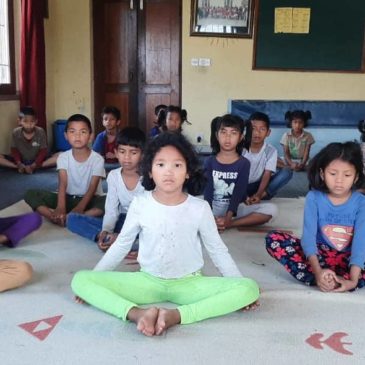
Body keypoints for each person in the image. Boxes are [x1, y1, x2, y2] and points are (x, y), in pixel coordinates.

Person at [71, 132, 259, 337]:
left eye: (177, 165)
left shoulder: (200, 207)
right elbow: (121, 244)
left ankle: (176, 316)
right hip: (147, 281)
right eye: (160, 165)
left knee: (249, 288)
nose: (168, 172)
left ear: (188, 171)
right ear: (150, 171)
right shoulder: (140, 203)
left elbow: (217, 250)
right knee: (80, 280)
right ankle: (138, 314)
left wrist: (237, 283)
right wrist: (95, 279)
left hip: (190, 284)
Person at [266, 142, 365, 292]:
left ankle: (342, 279)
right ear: (322, 173)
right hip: (320, 255)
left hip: (351, 260)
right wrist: (318, 271)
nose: (339, 180)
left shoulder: (361, 202)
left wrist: (352, 281)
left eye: (347, 175)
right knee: (274, 239)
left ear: (356, 177)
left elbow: (360, 242)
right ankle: (324, 278)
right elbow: (308, 237)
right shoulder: (314, 197)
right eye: (333, 174)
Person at [66, 127, 146, 252]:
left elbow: (151, 215)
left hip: (143, 222)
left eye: (133, 152)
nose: (127, 157)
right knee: (72, 219)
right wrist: (105, 231)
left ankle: (122, 239)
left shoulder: (149, 177)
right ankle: (107, 238)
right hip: (122, 219)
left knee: (155, 231)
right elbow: (111, 210)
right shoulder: (114, 176)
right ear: (116, 152)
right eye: (122, 151)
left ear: (143, 154)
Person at [24, 114, 106, 226]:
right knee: (31, 193)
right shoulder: (63, 157)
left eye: (83, 132)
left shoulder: (97, 159)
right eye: (72, 132)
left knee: (109, 201)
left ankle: (78, 215)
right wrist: (60, 207)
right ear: (66, 135)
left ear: (91, 136)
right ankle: (53, 216)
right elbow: (63, 183)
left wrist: (80, 207)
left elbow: (92, 188)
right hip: (67, 198)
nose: (77, 136)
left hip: (90, 199)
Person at [204, 114, 277, 232]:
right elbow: (208, 191)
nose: (228, 138)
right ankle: (212, 221)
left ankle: (229, 224)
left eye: (233, 133)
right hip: (212, 208)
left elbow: (239, 191)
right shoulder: (209, 161)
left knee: (272, 209)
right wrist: (208, 215)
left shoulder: (244, 163)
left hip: (235, 210)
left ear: (241, 137)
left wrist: (228, 218)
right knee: (185, 205)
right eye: (224, 132)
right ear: (217, 135)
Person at [243, 112, 293, 203]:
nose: (257, 132)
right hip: (240, 186)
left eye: (262, 129)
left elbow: (267, 174)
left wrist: (258, 194)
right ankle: (244, 196)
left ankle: (261, 196)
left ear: (268, 132)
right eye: (253, 128)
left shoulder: (271, 151)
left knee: (287, 171)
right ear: (248, 130)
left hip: (258, 185)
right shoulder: (240, 148)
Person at [0, 106, 58, 173]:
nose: (29, 125)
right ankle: (19, 167)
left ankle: (36, 167)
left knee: (61, 155)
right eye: (25, 121)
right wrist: (19, 163)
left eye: (32, 122)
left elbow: (43, 151)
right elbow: (14, 150)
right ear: (19, 121)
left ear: (36, 121)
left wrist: (35, 164)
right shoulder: (16, 132)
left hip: (38, 160)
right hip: (21, 161)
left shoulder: (40, 131)